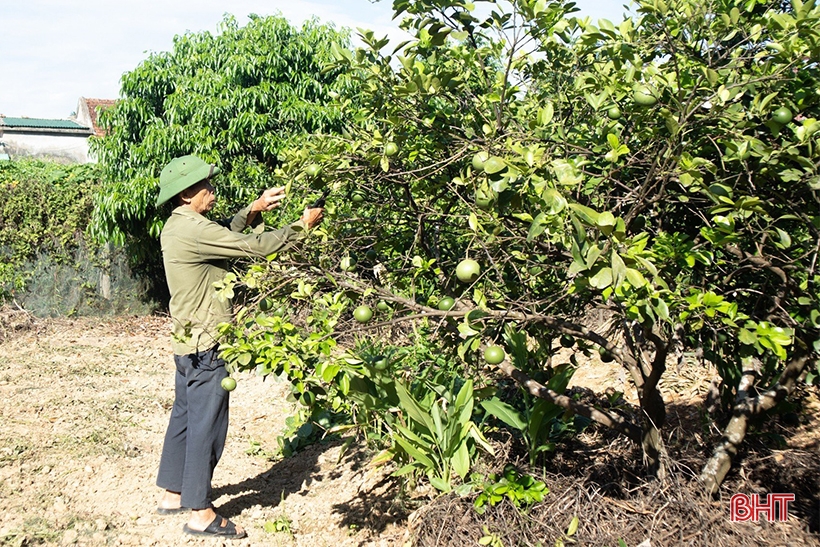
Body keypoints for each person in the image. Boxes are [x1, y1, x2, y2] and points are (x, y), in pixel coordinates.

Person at [152, 154, 323, 539]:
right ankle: (200, 512)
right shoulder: (194, 229)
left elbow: (222, 238)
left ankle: (172, 491)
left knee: (184, 416)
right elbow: (253, 249)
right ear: (186, 195)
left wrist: (253, 209)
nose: (212, 192)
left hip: (186, 342)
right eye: (206, 187)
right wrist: (301, 227)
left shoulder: (179, 226)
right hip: (209, 342)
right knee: (206, 424)